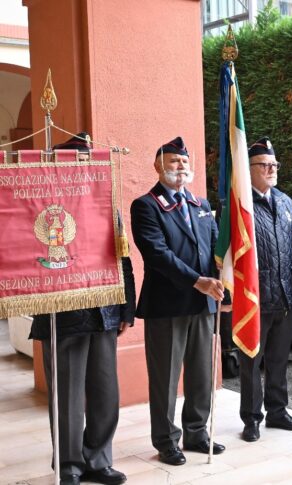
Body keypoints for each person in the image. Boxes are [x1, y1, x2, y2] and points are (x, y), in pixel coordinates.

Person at [30, 133, 136, 485]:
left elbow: (123, 258)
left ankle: (99, 458)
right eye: (77, 161)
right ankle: (69, 465)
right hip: (63, 314)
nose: (86, 167)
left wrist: (126, 308)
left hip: (103, 310)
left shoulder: (105, 202)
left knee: (106, 392)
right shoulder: (43, 204)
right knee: (67, 396)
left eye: (88, 161)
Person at [130, 136, 225, 466]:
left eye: (184, 161)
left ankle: (197, 431)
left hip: (203, 304)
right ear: (158, 166)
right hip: (167, 305)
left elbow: (214, 249)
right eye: (173, 161)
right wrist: (197, 281)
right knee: (165, 377)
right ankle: (166, 440)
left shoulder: (201, 205)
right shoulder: (146, 205)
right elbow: (157, 254)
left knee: (201, 373)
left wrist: (222, 282)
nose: (180, 166)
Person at [239, 137, 292, 442]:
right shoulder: (241, 204)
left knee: (279, 359)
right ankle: (252, 417)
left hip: (282, 296)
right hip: (254, 298)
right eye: (264, 165)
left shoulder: (286, 201)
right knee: (252, 362)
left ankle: (277, 411)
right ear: (249, 168)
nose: (271, 169)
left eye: (274, 164)